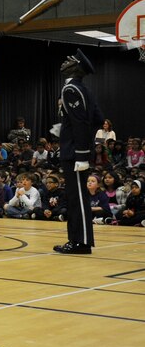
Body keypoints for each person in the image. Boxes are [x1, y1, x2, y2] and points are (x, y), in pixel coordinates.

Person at [53, 49, 104, 255]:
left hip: (74, 153)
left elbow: (81, 123)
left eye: (70, 60)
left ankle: (80, 242)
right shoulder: (83, 89)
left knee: (78, 198)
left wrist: (82, 153)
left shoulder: (71, 90)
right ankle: (75, 240)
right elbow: (98, 119)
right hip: (75, 149)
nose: (65, 62)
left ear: (76, 67)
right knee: (75, 196)